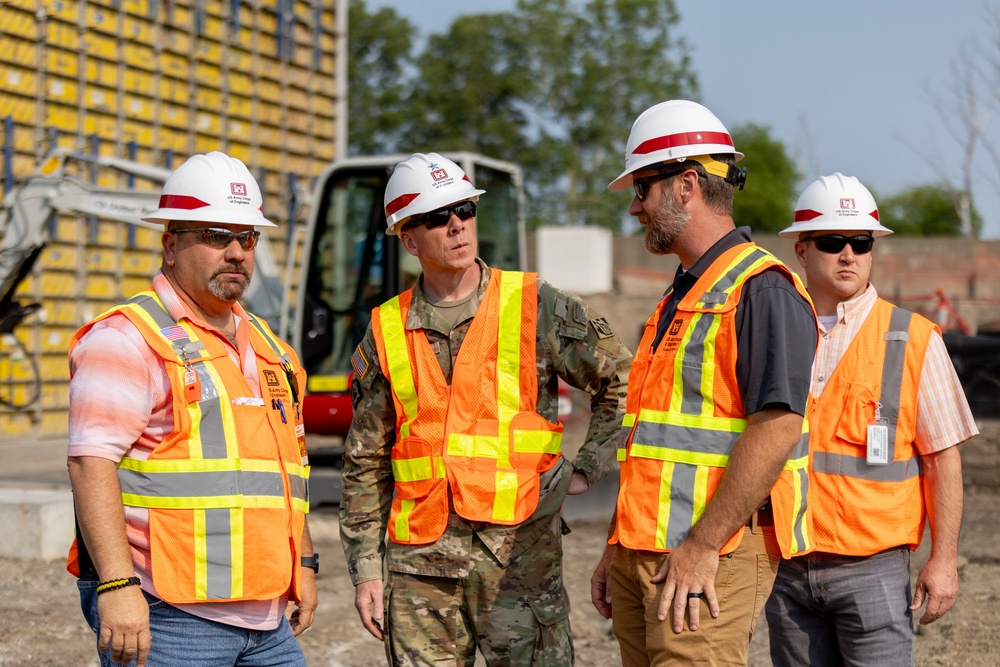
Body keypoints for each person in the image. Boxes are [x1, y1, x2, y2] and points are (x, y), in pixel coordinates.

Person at [339, 152, 632, 666]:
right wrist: (366, 569)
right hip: (420, 575)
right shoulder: (387, 328)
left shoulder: (534, 304)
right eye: (436, 217)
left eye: (464, 210)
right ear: (407, 239)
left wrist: (587, 469)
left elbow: (623, 382)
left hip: (520, 561)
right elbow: (364, 460)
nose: (456, 225)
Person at [590, 99, 819, 666]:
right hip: (648, 553)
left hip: (706, 555)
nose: (636, 208)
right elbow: (656, 444)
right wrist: (616, 551)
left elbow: (778, 427)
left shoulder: (761, 289)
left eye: (643, 189)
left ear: (686, 183)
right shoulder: (684, 294)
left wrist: (703, 544)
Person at [66, 152, 317, 667]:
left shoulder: (272, 348)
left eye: (246, 238)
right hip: (170, 617)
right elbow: (91, 465)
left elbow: (287, 467)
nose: (235, 252)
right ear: (171, 244)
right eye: (214, 235)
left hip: (268, 621)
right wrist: (116, 585)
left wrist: (306, 564)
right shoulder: (126, 338)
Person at [764, 173, 978, 667]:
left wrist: (943, 560)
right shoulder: (774, 332)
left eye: (861, 242)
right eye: (833, 241)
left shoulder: (914, 338)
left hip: (873, 573)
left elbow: (943, 460)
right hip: (786, 566)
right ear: (801, 251)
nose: (848, 254)